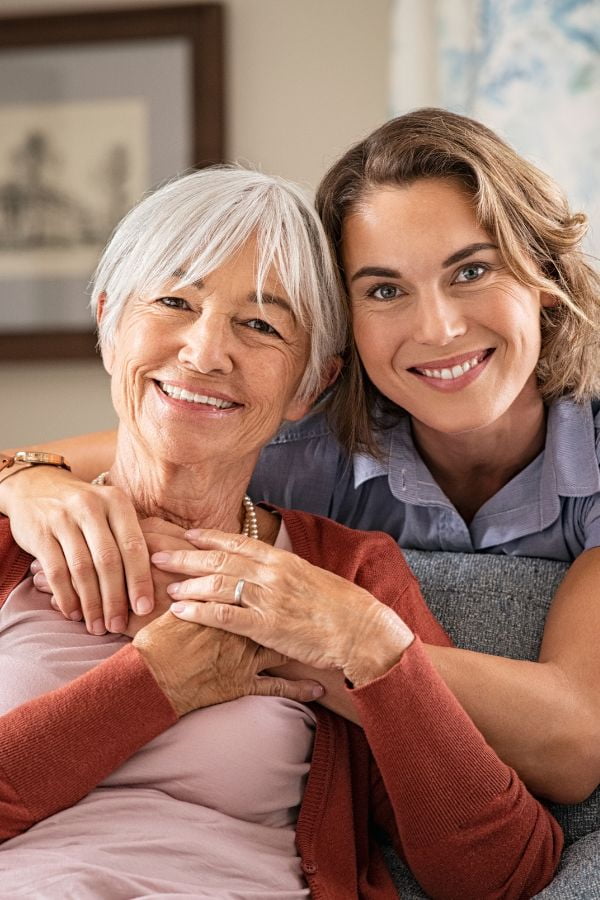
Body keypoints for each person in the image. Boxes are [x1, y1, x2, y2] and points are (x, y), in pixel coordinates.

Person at [2, 108, 600, 804]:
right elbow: (80, 453)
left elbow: (573, 743)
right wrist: (28, 484)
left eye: (470, 271)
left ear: (543, 276)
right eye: (384, 290)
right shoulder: (303, 445)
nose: (437, 327)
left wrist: (313, 633)